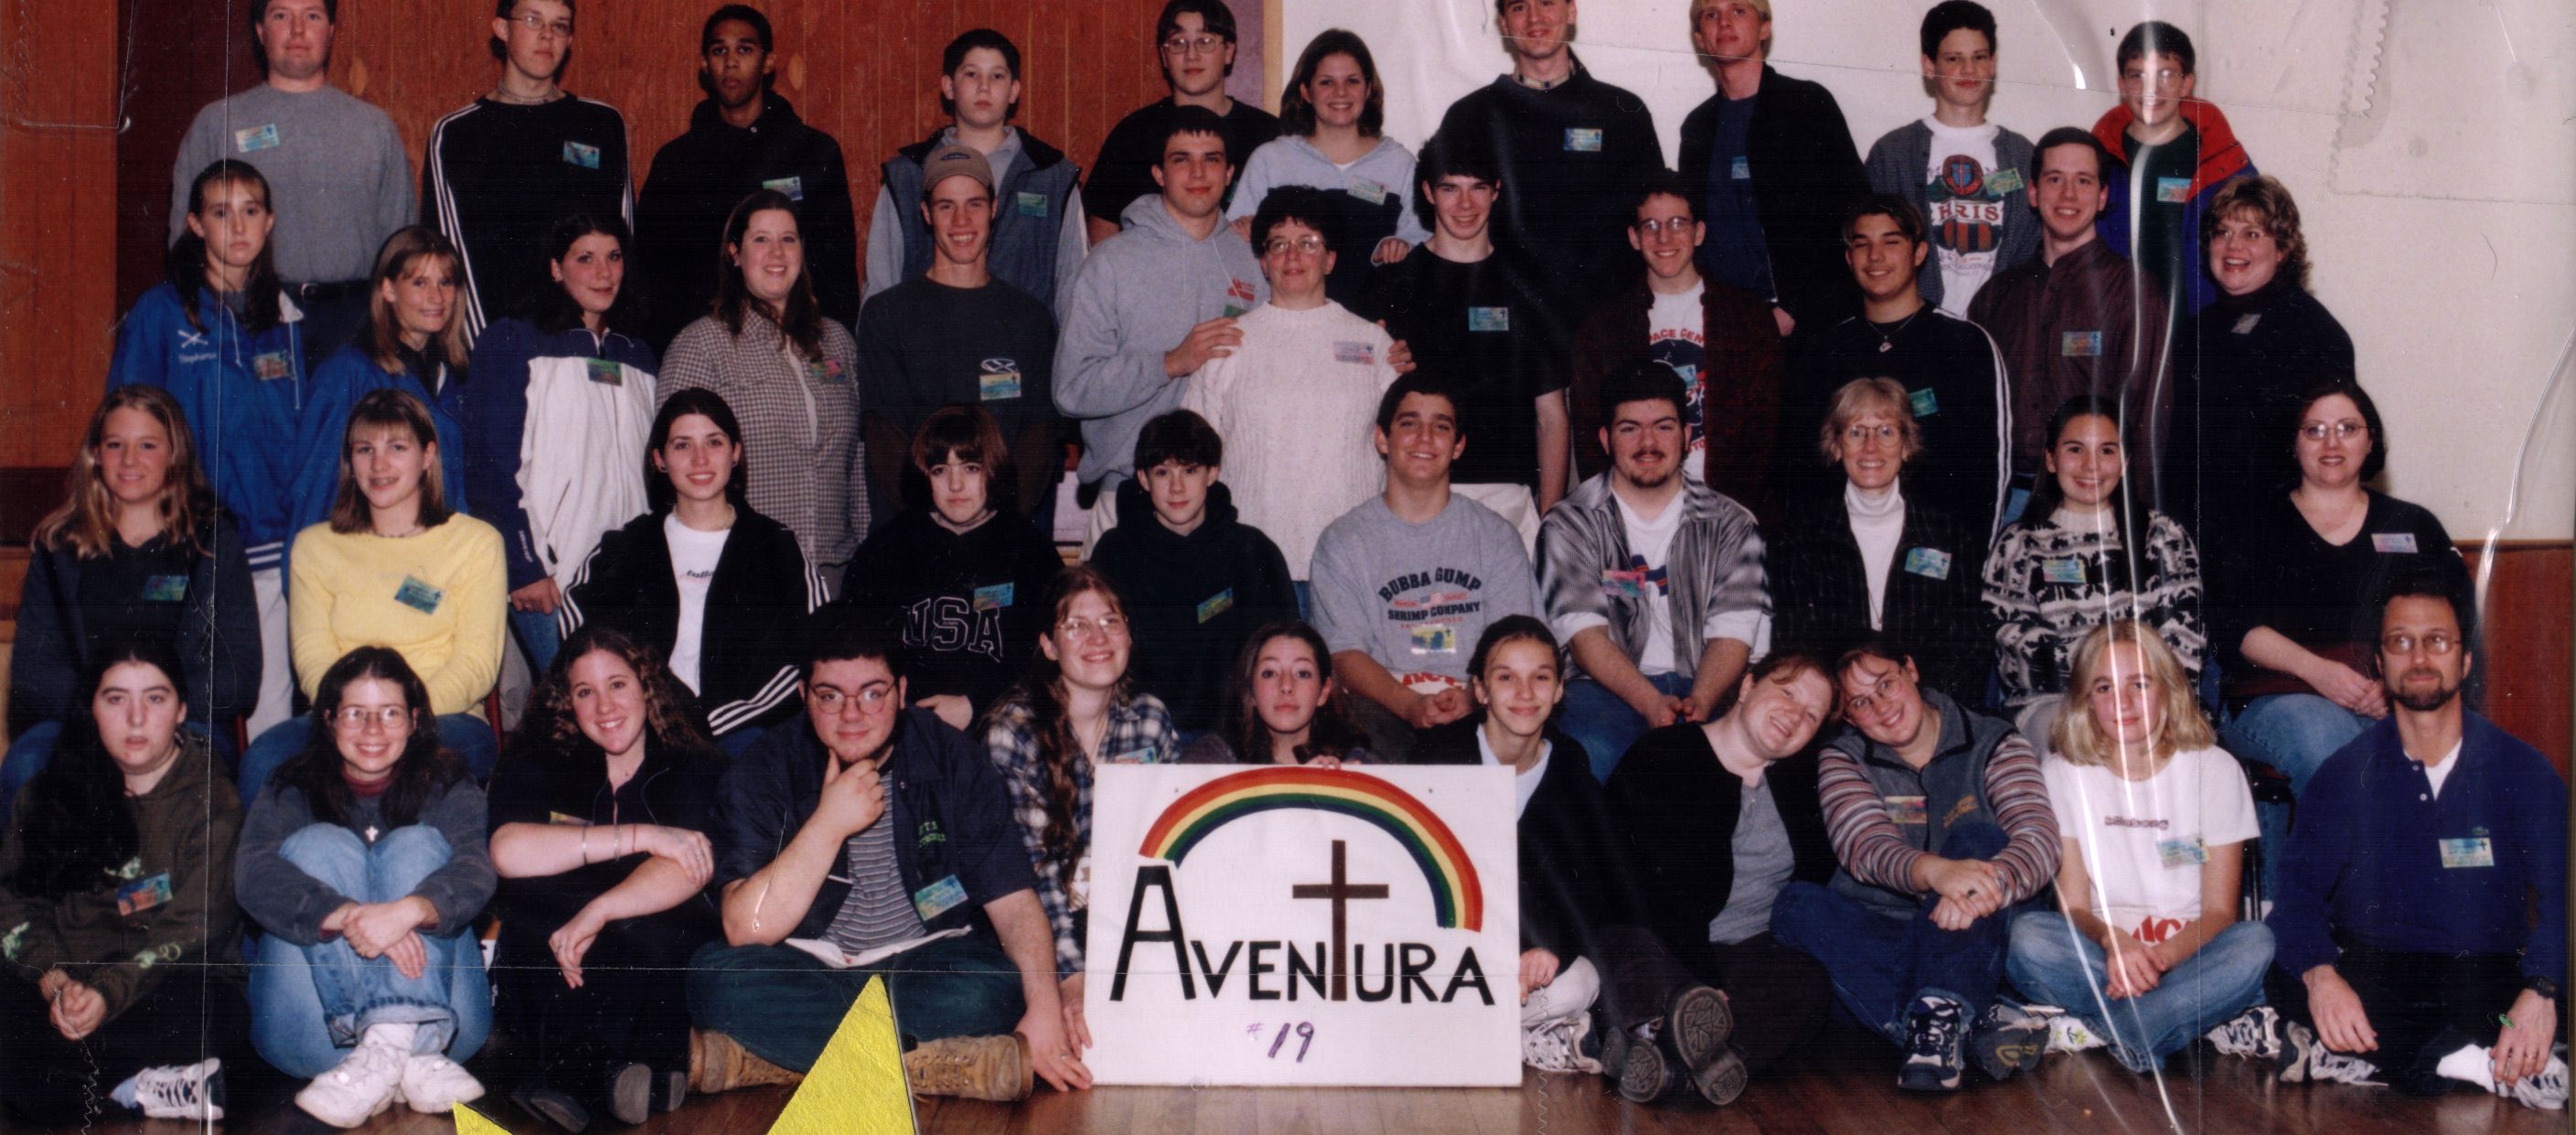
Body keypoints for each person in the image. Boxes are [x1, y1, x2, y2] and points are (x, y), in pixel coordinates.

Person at [687, 615, 1084, 1103]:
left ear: (901, 692)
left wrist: (1044, 1010)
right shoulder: (764, 768)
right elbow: (745, 928)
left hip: (924, 961)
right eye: (829, 696)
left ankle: (776, 1061)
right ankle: (926, 1065)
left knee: (993, 987)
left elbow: (1015, 904)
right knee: (716, 979)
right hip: (808, 963)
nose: (852, 715)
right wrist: (829, 824)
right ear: (803, 695)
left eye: (872, 694)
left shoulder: (952, 756)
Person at [2265, 570, 2569, 1108]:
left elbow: (2565, 894)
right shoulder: (2344, 776)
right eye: (2401, 642)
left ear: (2465, 661)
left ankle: (2380, 1053)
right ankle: (2477, 1061)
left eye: (2437, 641)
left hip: (2490, 982)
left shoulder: (2522, 770)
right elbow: (2295, 898)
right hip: (2380, 977)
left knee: (2539, 993)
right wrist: (2322, 978)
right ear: (2380, 663)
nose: (2420, 657)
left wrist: (2541, 990)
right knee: (2288, 974)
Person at [1414, 618, 1737, 1101]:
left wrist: (1695, 973)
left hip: (1526, 974)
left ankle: (1644, 1037)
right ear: (1479, 689)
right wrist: (1506, 952)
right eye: (1506, 677)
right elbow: (1411, 888)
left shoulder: (1568, 764)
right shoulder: (1436, 756)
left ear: (1560, 688)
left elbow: (1611, 883)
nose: (1525, 692)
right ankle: (1556, 1040)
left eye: (1541, 677)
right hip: (1447, 957)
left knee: (1580, 979)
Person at [1770, 639, 2061, 1092]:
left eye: (1886, 684)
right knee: (1795, 905)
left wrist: (1984, 884)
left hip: (1979, 931)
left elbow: (2038, 838)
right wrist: (1936, 874)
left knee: (1978, 840)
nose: (1882, 707)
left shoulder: (1995, 740)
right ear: (1849, 718)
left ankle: (1935, 1022)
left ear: (1910, 669)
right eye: (1861, 703)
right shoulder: (1842, 757)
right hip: (1887, 928)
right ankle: (1963, 1021)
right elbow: (1864, 846)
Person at [2207, 382, 2466, 866]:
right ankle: (2362, 899)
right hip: (2275, 697)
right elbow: (2232, 626)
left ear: (2371, 441)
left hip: (2389, 696)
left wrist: (2397, 687)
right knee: (2335, 745)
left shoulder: (2412, 526)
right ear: (2294, 443)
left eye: (2348, 429)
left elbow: (2451, 622)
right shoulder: (2252, 522)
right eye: (2315, 430)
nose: (2332, 443)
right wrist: (2320, 673)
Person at [2004, 621, 2277, 1078]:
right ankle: (2168, 1024)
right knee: (2027, 937)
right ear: (2085, 700)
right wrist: (2115, 943)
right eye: (2104, 688)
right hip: (2102, 956)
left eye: (2140, 684)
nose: (2122, 703)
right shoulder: (2062, 772)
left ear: (2167, 690)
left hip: (2189, 959)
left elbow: (2219, 914)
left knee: (2256, 943)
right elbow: (2074, 907)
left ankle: (2106, 1028)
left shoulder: (2215, 769)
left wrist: (2157, 960)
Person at [236, 647, 496, 1127]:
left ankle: (385, 1051)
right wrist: (348, 915)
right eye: (356, 713)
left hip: (446, 1030)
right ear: (329, 720)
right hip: (315, 1034)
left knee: (417, 844)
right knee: (319, 844)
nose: (372, 729)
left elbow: (475, 869)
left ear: (414, 720)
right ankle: (400, 1049)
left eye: (390, 713)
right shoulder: (290, 785)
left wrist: (410, 910)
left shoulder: (448, 780)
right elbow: (252, 876)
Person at [486, 626, 727, 1130]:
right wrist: (643, 836)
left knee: (639, 925)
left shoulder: (690, 760)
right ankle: (642, 1070)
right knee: (533, 913)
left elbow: (691, 866)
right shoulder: (541, 756)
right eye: (584, 692)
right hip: (562, 939)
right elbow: (508, 851)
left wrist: (599, 910)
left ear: (646, 686)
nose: (604, 707)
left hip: (650, 938)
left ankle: (581, 1078)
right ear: (566, 702)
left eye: (617, 684)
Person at [0, 643, 243, 1124]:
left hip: (162, 985)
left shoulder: (214, 801)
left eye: (155, 698)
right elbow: (13, 904)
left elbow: (196, 926)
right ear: (91, 707)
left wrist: (108, 994)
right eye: (115, 699)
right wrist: (54, 980)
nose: (136, 719)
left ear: (182, 710)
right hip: (64, 986)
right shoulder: (45, 793)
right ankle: (142, 1087)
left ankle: (78, 1084)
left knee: (211, 1010)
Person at [114, 160, 306, 737]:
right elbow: (125, 428)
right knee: (186, 705)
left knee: (269, 711)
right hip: (187, 540)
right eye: (222, 213)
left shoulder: (288, 316)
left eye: (251, 211)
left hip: (270, 544)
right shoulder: (160, 312)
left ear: (270, 221)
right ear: (195, 224)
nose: (239, 227)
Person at [243, 390, 508, 803]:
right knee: (262, 761)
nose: (378, 465)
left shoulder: (475, 543)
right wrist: (357, 719)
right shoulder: (315, 546)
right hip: (340, 720)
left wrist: (398, 718)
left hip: (441, 718)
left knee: (410, 770)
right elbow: (313, 658)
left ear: (427, 456)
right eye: (364, 449)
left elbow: (475, 665)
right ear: (350, 461)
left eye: (397, 447)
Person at [4, 388, 258, 813]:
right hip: (81, 725)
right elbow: (35, 674)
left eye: (147, 446)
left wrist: (154, 717)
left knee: (204, 774)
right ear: (95, 455)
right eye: (115, 445)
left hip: (183, 726)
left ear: (174, 455)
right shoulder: (58, 547)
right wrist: (108, 718)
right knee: (26, 763)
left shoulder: (213, 543)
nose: (129, 461)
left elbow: (237, 675)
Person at [1605, 652, 1842, 1100]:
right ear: (1748, 686)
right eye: (1787, 693)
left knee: (1807, 983)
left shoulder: (1803, 783)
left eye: (1812, 715)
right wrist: (1701, 978)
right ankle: (1685, 1046)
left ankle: (1662, 1060)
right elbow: (1651, 890)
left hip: (1744, 953)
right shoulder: (1663, 755)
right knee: (1627, 954)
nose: (1794, 716)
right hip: (1658, 939)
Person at [981, 567, 1177, 1067]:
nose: (1098, 638)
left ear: (1129, 634)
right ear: (1049, 646)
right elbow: (1033, 875)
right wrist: (1071, 981)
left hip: (1124, 922)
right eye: (1077, 626)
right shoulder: (1014, 730)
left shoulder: (1150, 721)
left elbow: (1170, 853)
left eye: (1111, 621)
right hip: (1039, 928)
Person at [1537, 362, 1769, 782]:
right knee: (1593, 747)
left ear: (1687, 436)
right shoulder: (1569, 524)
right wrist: (1649, 702)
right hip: (1604, 689)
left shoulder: (1733, 524)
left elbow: (1734, 634)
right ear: (1606, 440)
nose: (1648, 443)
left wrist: (1699, 703)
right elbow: (1585, 639)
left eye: (1663, 427)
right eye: (1630, 429)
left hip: (1709, 683)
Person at [561, 390, 824, 752]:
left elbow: (813, 647)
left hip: (746, 733)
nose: (700, 459)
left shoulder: (776, 546)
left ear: (735, 453)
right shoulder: (625, 545)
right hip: (641, 730)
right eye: (682, 445)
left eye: (714, 442)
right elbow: (578, 630)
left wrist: (716, 722)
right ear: (660, 459)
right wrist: (645, 709)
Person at [1053, 107, 1263, 551]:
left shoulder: (1252, 263)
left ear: (1230, 174)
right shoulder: (1111, 263)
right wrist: (1168, 363)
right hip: (1129, 493)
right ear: (1158, 174)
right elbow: (1071, 389)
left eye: (1211, 159)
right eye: (1181, 159)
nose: (1198, 173)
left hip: (1231, 496)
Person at [462, 212, 657, 678]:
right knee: (575, 698)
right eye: (585, 258)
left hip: (629, 578)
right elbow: (489, 467)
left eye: (613, 257)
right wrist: (525, 564)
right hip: (552, 577)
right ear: (555, 268)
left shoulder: (639, 354)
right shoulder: (514, 340)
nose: (603, 273)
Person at [167, 0, 412, 368]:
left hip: (354, 324)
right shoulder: (218, 124)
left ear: (331, 30)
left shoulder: (375, 129)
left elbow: (402, 248)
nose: (297, 30)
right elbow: (184, 244)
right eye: (281, 15)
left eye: (312, 15)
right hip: (248, 319)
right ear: (260, 31)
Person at [1309, 378, 1540, 760]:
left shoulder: (1497, 537)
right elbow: (1344, 655)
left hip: (1482, 702)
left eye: (1441, 426)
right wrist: (1409, 704)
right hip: (1381, 708)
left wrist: (1471, 697)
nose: (1425, 438)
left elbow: (1517, 646)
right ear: (1382, 439)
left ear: (1458, 446)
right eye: (1409, 423)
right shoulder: (1342, 541)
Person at [1356, 135, 1570, 537]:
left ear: (1497, 190)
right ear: (1428, 192)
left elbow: (1551, 417)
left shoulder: (1528, 286)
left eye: (1478, 188)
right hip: (1413, 495)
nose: (1465, 204)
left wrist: (1551, 522)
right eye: (1450, 188)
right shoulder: (1392, 283)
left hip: (1508, 497)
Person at [1181, 186, 1401, 575]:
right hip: (1252, 563)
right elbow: (1192, 457)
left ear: (1330, 260)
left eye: (1308, 243)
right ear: (1264, 262)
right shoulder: (1227, 344)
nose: (1293, 256)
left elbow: (1401, 454)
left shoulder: (1374, 343)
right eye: (1279, 244)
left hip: (1351, 562)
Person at [657, 189, 865, 590]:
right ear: (735, 253)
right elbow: (673, 464)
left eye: (788, 239)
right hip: (745, 568)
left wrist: (862, 549)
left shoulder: (836, 342)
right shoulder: (701, 345)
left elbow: (856, 458)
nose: (777, 253)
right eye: (761, 239)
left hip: (835, 566)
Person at [1965, 129, 2171, 523]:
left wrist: (2133, 517)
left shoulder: (2133, 292)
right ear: (2033, 192)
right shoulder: (1996, 296)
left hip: (2095, 502)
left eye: (2084, 181)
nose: (2069, 195)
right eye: (2055, 179)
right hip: (2004, 502)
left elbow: (2148, 416)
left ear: (2103, 196)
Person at [856, 144, 1062, 526]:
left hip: (1003, 536)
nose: (961, 221)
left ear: (994, 208)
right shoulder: (886, 315)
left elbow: (1038, 440)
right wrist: (940, 529)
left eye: (974, 204)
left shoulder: (1030, 319)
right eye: (946, 206)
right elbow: (886, 444)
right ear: (926, 213)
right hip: (916, 537)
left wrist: (991, 527)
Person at [633, 5, 860, 350]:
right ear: (704, 64)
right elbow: (651, 275)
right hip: (702, 347)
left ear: (768, 62)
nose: (731, 62)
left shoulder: (813, 152)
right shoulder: (676, 161)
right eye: (719, 51)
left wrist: (827, 350)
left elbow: (836, 273)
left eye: (745, 49)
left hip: (794, 343)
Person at [1565, 170, 1784, 519]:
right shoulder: (1602, 329)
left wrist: (1726, 518)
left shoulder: (1748, 319)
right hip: (1636, 516)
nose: (1664, 237)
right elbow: (1593, 441)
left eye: (1678, 223)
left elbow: (1764, 436)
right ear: (1634, 237)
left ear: (1699, 232)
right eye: (1650, 226)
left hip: (1730, 514)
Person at [1983, 395, 2204, 739]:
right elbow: (2016, 648)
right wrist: (2104, 684)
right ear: (2051, 459)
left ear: (2125, 462)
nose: (2091, 466)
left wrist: (2132, 691)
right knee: (2081, 744)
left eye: (2107, 451)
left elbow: (2185, 641)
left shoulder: (2164, 537)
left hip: (2152, 701)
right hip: (2056, 703)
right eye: (2075, 449)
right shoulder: (2019, 544)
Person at [1783, 198, 2008, 534]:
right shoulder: (1824, 351)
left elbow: (1988, 472)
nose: (1875, 256)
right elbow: (1800, 470)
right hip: (1839, 550)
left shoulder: (1965, 345)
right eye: (1862, 244)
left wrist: (1970, 560)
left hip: (1936, 550)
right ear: (1849, 258)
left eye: (1891, 242)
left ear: (1919, 253)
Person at [838, 406, 1064, 731]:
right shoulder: (884, 551)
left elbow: (1049, 659)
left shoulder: (1032, 552)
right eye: (940, 470)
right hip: (902, 723)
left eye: (971, 468)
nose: (955, 485)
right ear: (924, 476)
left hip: (1004, 722)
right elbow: (855, 654)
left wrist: (976, 705)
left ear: (993, 470)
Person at [1768, 378, 1990, 703]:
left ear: (1906, 445)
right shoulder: (1799, 537)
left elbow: (1968, 644)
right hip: (1837, 708)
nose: (1870, 447)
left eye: (1886, 432)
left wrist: (1924, 708)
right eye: (1856, 432)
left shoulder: (1948, 535)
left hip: (1928, 705)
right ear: (1836, 445)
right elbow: (1797, 646)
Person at [424, 0, 634, 345]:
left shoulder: (600, 125)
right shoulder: (458, 134)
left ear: (570, 39)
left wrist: (604, 344)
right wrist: (485, 351)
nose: (547, 35)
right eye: (534, 20)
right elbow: (446, 257)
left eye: (560, 25)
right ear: (502, 29)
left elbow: (622, 242)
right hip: (497, 344)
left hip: (582, 345)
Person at [1433, 0, 1662, 309]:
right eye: (1519, 7)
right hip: (1505, 316)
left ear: (1571, 11)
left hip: (1605, 315)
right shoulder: (1470, 117)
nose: (1534, 18)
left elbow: (1654, 217)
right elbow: (1443, 228)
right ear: (1503, 23)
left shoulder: (1621, 112)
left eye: (1546, 3)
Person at [1087, 411, 1299, 733]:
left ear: (1212, 473)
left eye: (1190, 470)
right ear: (1143, 479)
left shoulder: (1253, 551)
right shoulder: (1114, 553)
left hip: (1234, 733)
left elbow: (1283, 655)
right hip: (1140, 731)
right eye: (1162, 472)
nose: (1177, 487)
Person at [2167, 177, 2357, 534]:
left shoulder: (2315, 332)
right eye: (2222, 233)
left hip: (2281, 535)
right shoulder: (2195, 332)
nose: (2233, 246)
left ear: (2282, 249)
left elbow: (2328, 457)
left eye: (2252, 234)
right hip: (2197, 533)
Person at [1677, 0, 1870, 336]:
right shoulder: (1697, 127)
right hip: (1728, 324)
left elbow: (1855, 215)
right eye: (1711, 14)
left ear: (1764, 27)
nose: (1724, 22)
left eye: (1739, 10)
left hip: (1811, 322)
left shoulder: (1808, 106)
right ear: (1699, 37)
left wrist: (1795, 307)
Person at [867, 29, 1086, 315]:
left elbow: (1075, 288)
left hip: (1024, 340)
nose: (984, 87)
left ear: (1014, 91)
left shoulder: (1051, 175)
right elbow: (880, 285)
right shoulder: (908, 174)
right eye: (971, 74)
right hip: (926, 337)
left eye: (997, 76)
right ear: (949, 87)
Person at [288, 226, 474, 547]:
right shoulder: (347, 374)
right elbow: (314, 497)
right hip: (370, 558)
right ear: (388, 289)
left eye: (445, 282)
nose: (436, 297)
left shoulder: (455, 376)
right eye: (420, 283)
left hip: (442, 557)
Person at [1223, 29, 1428, 304]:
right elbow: (1234, 244)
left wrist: (1402, 245)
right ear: (1306, 91)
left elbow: (1422, 238)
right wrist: (1243, 227)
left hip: (1372, 321)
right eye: (1326, 82)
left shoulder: (1399, 164)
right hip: (1289, 316)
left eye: (1352, 81)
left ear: (1368, 89)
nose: (1340, 92)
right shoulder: (1271, 161)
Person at [1861, 1, 2036, 318]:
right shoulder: (1893, 153)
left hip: (1998, 327)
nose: (1969, 70)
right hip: (1916, 328)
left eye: (1979, 57)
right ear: (1929, 66)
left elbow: (2032, 251)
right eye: (1954, 59)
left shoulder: (2021, 156)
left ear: (1993, 64)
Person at [2091, 21, 2256, 317]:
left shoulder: (2222, 161)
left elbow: (2259, 250)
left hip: (2201, 328)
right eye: (2137, 76)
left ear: (2186, 83)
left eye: (2165, 75)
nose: (2151, 90)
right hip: (2119, 328)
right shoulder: (2096, 159)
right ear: (2122, 84)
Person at [1082, 0, 1281, 243]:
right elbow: (1103, 225)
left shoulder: (1268, 135)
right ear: (1164, 56)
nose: (1191, 55)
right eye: (1178, 43)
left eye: (1205, 41)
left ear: (1229, 51)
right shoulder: (1133, 134)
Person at [1177, 622, 1376, 764]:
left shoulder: (1356, 761)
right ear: (1250, 690)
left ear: (1323, 691)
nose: (1286, 686)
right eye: (1270, 673)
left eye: (1303, 673)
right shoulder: (1211, 757)